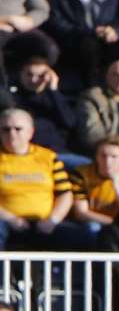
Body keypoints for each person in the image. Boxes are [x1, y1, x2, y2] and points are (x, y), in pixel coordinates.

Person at [0, 107, 79, 251]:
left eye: (18, 129)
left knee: (84, 236)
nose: (12, 134)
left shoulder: (48, 157)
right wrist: (10, 219)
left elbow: (65, 194)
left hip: (45, 222)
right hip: (6, 222)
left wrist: (53, 220)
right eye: (6, 129)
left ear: (31, 132)